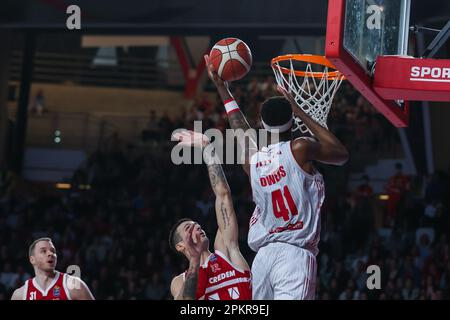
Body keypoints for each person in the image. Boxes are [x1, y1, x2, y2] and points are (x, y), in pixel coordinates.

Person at [204, 54, 348, 300]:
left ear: (262, 124)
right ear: (291, 122)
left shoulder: (252, 161)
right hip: (294, 255)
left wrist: (222, 87)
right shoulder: (300, 148)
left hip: (263, 258)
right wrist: (301, 112)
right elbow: (341, 154)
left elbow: (239, 127)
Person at [169, 130, 252, 300]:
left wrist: (207, 147)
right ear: (180, 246)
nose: (197, 226)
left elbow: (223, 194)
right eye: (188, 228)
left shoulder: (226, 251)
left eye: (196, 224)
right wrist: (195, 258)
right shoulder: (179, 281)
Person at [11, 238, 95, 300]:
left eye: (53, 251)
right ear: (32, 259)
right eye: (43, 251)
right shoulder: (20, 295)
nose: (50, 254)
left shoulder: (74, 285)